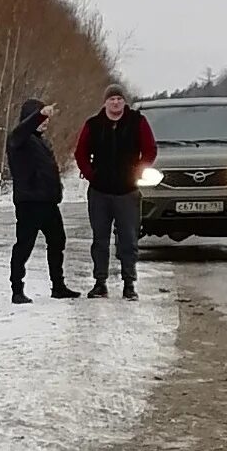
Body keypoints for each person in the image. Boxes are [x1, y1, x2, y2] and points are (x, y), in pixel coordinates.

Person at [72, 83, 156, 300]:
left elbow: (150, 150)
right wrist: (91, 174)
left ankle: (129, 284)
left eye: (119, 98)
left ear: (124, 101)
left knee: (128, 239)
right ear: (105, 102)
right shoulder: (94, 124)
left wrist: (138, 171)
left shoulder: (137, 122)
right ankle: (100, 282)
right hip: (100, 191)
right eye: (112, 99)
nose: (116, 102)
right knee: (100, 239)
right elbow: (80, 153)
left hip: (128, 191)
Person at [6, 98, 81, 304]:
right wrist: (40, 114)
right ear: (31, 117)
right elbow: (24, 129)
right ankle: (17, 289)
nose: (46, 121)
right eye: (41, 117)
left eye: (46, 118)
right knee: (24, 245)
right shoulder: (18, 139)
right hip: (29, 203)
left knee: (58, 241)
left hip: (48, 203)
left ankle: (58, 286)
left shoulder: (42, 141)